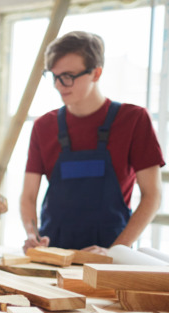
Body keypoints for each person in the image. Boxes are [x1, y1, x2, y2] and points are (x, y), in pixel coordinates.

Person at [21, 31, 164, 254]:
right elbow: (28, 195)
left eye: (68, 76)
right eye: (54, 76)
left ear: (96, 73)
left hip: (111, 257)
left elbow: (152, 196)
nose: (59, 85)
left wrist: (116, 251)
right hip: (54, 255)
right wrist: (33, 236)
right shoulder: (43, 126)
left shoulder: (134, 120)